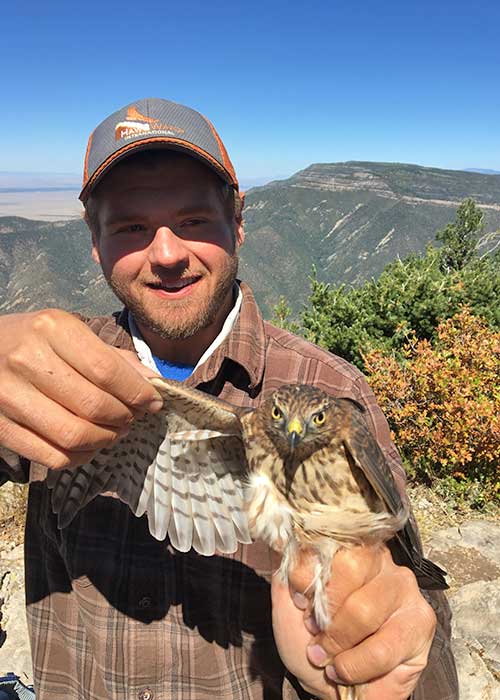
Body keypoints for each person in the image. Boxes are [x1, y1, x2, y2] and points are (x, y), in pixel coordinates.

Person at [0, 98, 458, 700]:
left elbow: (418, 611)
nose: (166, 254)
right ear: (93, 240)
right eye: (132, 227)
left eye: (193, 221)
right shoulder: (50, 372)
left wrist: (387, 660)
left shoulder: (334, 393)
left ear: (238, 222)